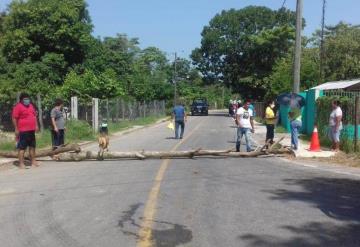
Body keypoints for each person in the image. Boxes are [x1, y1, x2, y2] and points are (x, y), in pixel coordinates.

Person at [12, 93, 39, 169]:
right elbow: (14, 118)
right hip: (23, 131)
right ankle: (21, 163)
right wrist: (16, 128)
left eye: (28, 98)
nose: (27, 100)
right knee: (22, 148)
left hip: (31, 130)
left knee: (32, 146)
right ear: (21, 100)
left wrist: (36, 125)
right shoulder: (17, 107)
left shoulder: (31, 106)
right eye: (25, 99)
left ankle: (33, 161)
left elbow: (34, 116)